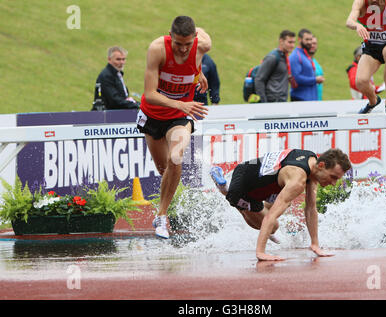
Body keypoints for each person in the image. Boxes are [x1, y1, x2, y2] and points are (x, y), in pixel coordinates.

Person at [137, 16, 211, 239]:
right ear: (170, 38)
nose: (182, 50)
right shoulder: (158, 49)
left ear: (195, 40)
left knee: (177, 157)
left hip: (180, 116)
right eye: (178, 44)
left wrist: (198, 73)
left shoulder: (203, 44)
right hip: (153, 115)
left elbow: (199, 38)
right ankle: (165, 207)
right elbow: (150, 94)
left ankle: (161, 216)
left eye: (188, 45)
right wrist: (181, 102)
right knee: (164, 171)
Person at [210, 148, 352, 261]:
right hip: (243, 188)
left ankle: (241, 200)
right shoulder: (298, 180)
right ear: (321, 165)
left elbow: (311, 208)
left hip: (254, 174)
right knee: (273, 226)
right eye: (333, 177)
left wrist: (315, 244)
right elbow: (270, 217)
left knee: (285, 203)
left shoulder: (312, 161)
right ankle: (224, 188)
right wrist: (261, 252)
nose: (333, 183)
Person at [254, 30, 296, 103]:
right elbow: (259, 79)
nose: (292, 45)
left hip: (281, 101)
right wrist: (263, 103)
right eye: (290, 42)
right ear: (281, 41)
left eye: (293, 42)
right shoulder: (273, 57)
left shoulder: (285, 58)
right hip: (272, 102)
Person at [93, 46, 140, 111]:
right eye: (118, 59)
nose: (121, 62)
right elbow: (115, 100)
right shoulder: (106, 76)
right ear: (109, 59)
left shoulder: (117, 74)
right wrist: (136, 105)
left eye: (123, 59)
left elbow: (122, 98)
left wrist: (135, 103)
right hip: (107, 116)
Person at [289, 29, 325, 102]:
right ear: (299, 39)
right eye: (307, 39)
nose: (309, 42)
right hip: (300, 99)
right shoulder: (295, 56)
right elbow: (297, 79)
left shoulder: (305, 55)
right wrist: (315, 80)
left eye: (310, 39)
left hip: (310, 100)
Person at [310, 35, 324, 100]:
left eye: (314, 43)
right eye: (311, 43)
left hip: (318, 101)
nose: (312, 45)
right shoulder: (303, 60)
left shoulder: (316, 62)